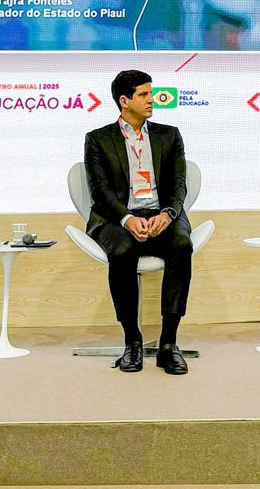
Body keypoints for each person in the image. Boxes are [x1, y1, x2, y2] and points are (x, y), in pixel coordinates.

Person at [83, 69, 193, 375]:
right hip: (117, 218)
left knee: (182, 245)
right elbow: (99, 190)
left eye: (150, 93)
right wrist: (127, 217)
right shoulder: (97, 139)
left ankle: (169, 344)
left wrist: (168, 214)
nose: (151, 100)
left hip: (161, 214)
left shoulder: (169, 135)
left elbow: (178, 184)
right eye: (143, 94)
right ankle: (132, 342)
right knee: (121, 252)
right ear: (124, 101)